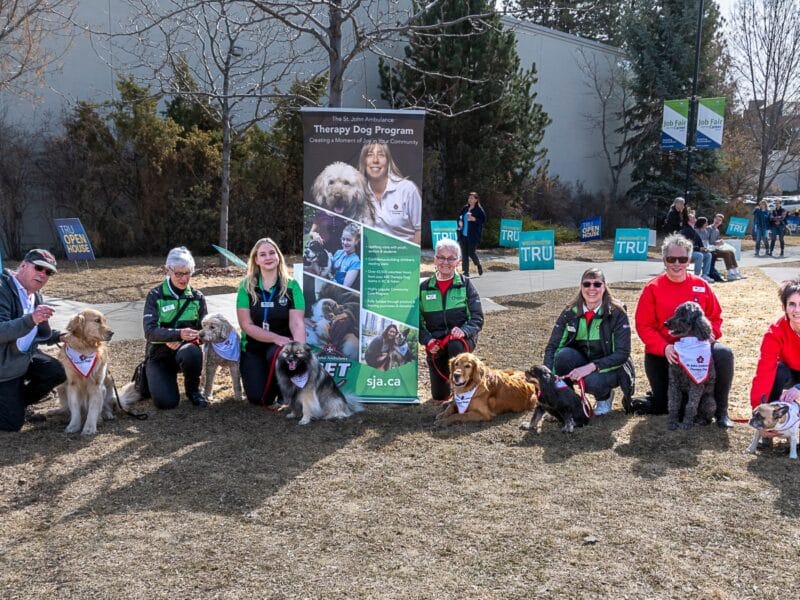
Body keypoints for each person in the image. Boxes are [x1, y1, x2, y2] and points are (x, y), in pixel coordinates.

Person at [634, 233, 735, 427]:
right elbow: (644, 326)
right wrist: (664, 348)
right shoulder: (652, 288)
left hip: (698, 350)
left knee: (724, 353)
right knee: (667, 407)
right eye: (671, 259)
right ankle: (657, 399)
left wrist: (710, 334)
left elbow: (715, 317)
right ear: (664, 260)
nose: (677, 263)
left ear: (689, 260)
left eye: (682, 259)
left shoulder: (702, 285)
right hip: (666, 354)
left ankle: (722, 411)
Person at [543, 268, 635, 416]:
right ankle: (567, 400)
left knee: (591, 379)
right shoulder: (570, 312)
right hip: (582, 360)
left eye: (597, 284)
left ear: (604, 287)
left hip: (610, 367)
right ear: (581, 287)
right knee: (562, 356)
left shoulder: (617, 312)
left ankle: (604, 397)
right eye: (587, 284)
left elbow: (622, 353)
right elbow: (553, 347)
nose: (592, 288)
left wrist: (591, 367)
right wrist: (548, 380)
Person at [0, 249, 66, 431]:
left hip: (24, 356)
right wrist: (32, 319)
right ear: (23, 265)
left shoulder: (35, 294)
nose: (43, 274)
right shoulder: (2, 289)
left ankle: (16, 403)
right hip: (4, 364)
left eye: (48, 272)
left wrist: (59, 336)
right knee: (10, 425)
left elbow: (36, 331)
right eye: (39, 268)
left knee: (57, 372)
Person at [236, 238, 305, 406]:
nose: (268, 257)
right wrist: (275, 337)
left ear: (279, 257)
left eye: (272, 253)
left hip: (281, 348)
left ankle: (284, 388)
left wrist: (300, 352)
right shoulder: (245, 286)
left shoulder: (292, 286)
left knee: (279, 353)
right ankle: (274, 386)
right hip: (254, 347)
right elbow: (246, 325)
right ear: (256, 260)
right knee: (258, 398)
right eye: (263, 254)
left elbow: (297, 323)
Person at [419, 238, 484, 402]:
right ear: (434, 259)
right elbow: (417, 323)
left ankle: (464, 394)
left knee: (455, 344)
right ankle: (447, 389)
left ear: (458, 261)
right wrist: (428, 341)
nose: (445, 262)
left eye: (451, 258)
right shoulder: (424, 288)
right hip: (437, 344)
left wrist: (464, 331)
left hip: (461, 340)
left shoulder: (465, 285)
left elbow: (477, 318)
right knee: (439, 396)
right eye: (441, 257)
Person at [143, 247, 208, 409]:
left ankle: (193, 390)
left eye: (188, 273)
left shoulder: (197, 297)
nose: (183, 278)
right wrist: (177, 334)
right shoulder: (155, 295)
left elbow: (205, 333)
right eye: (178, 273)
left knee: (192, 352)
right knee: (167, 403)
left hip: (186, 351)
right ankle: (153, 375)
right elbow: (150, 332)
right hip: (159, 355)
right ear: (168, 270)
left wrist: (185, 339)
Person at [749, 278, 800, 409]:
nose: (797, 310)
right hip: (792, 371)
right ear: (784, 307)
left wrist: (798, 388)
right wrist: (759, 409)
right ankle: (773, 412)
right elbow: (764, 371)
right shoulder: (775, 331)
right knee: (778, 370)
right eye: (792, 304)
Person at [358, 141, 422, 244]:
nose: (375, 160)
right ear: (363, 161)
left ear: (388, 161)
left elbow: (419, 230)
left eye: (381, 155)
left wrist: (412, 256)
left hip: (402, 257)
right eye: (370, 155)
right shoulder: (357, 192)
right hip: (370, 258)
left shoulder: (407, 189)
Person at [457, 191, 486, 277]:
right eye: (469, 198)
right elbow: (459, 217)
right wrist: (460, 222)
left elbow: (483, 220)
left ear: (476, 200)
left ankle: (478, 265)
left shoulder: (479, 210)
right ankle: (466, 272)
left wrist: (474, 219)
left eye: (472, 198)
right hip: (463, 234)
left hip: (473, 236)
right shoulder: (465, 208)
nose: (469, 199)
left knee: (471, 253)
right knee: (464, 254)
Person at [708, 214, 746, 280]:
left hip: (716, 248)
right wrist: (716, 243)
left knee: (731, 252)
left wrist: (720, 242)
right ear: (714, 219)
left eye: (719, 220)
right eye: (717, 219)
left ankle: (736, 271)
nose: (717, 221)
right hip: (710, 249)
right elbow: (708, 241)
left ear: (721, 222)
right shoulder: (709, 228)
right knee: (727, 253)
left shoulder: (717, 230)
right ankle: (730, 273)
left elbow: (716, 240)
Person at [679, 211, 712, 282]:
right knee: (699, 255)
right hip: (686, 253)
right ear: (688, 220)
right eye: (692, 217)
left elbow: (700, 242)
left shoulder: (693, 230)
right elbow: (686, 245)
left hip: (693, 251)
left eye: (694, 217)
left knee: (708, 255)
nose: (695, 218)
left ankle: (705, 275)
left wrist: (704, 248)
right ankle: (697, 276)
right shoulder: (685, 230)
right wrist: (699, 248)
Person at [331, 223, 361, 289]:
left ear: (356, 241)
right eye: (343, 239)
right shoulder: (338, 252)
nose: (345, 242)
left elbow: (344, 288)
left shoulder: (355, 261)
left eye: (348, 240)